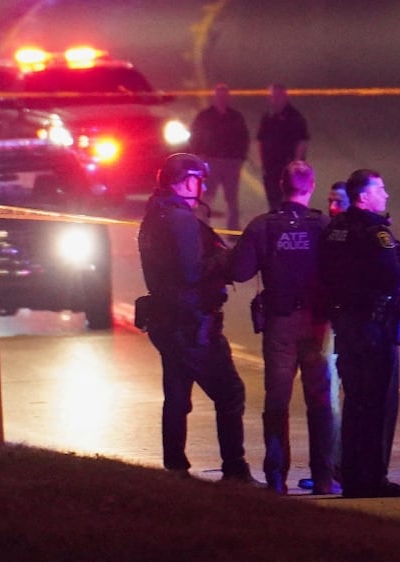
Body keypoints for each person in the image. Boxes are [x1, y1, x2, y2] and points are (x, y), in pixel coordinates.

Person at [137, 152, 257, 484]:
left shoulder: (154, 215)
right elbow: (191, 272)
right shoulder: (180, 219)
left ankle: (175, 468)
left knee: (177, 396)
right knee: (230, 392)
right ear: (189, 181)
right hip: (192, 325)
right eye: (199, 181)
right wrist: (221, 259)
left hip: (167, 321)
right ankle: (235, 468)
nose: (201, 187)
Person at [228, 160, 338, 496]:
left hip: (280, 324)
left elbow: (240, 271)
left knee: (277, 401)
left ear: (280, 185)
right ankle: (323, 477)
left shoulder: (263, 227)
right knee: (319, 401)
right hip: (317, 324)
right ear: (312, 185)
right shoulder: (323, 225)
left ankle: (277, 478)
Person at [320, 169, 400, 498]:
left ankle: (351, 475)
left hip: (346, 326)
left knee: (354, 401)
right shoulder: (376, 233)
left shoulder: (334, 230)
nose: (385, 195)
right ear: (364, 196)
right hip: (374, 327)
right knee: (376, 404)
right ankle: (372, 478)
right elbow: (396, 275)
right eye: (381, 189)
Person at [298, 180, 350, 492]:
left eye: (339, 201)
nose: (332, 207)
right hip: (328, 321)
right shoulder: (325, 232)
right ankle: (331, 467)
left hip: (341, 323)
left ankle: (335, 468)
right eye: (330, 200)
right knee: (328, 398)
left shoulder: (352, 235)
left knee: (334, 398)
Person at [188, 83, 250, 231]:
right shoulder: (205, 116)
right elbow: (194, 136)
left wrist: (240, 158)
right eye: (219, 96)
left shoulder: (236, 117)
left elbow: (243, 138)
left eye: (224, 96)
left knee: (231, 198)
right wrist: (199, 155)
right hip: (210, 161)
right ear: (214, 98)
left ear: (228, 98)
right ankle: (202, 228)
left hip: (230, 162)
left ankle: (232, 229)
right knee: (207, 197)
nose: (222, 99)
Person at [256, 84, 309, 210]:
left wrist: (296, 164)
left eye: (278, 96)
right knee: (273, 201)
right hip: (270, 168)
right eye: (272, 96)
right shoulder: (268, 117)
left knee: (288, 201)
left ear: (285, 97)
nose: (275, 99)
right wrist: (262, 163)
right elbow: (261, 140)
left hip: (287, 167)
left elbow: (301, 141)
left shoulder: (295, 117)